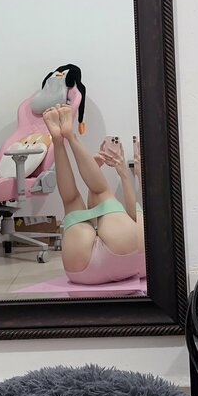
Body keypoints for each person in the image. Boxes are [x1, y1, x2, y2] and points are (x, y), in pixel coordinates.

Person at [42, 104, 145, 285]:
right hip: (131, 255)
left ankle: (61, 139)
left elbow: (105, 207)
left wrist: (116, 172)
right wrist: (126, 172)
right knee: (75, 201)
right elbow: (127, 213)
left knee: (89, 196)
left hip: (82, 271)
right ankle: (68, 136)